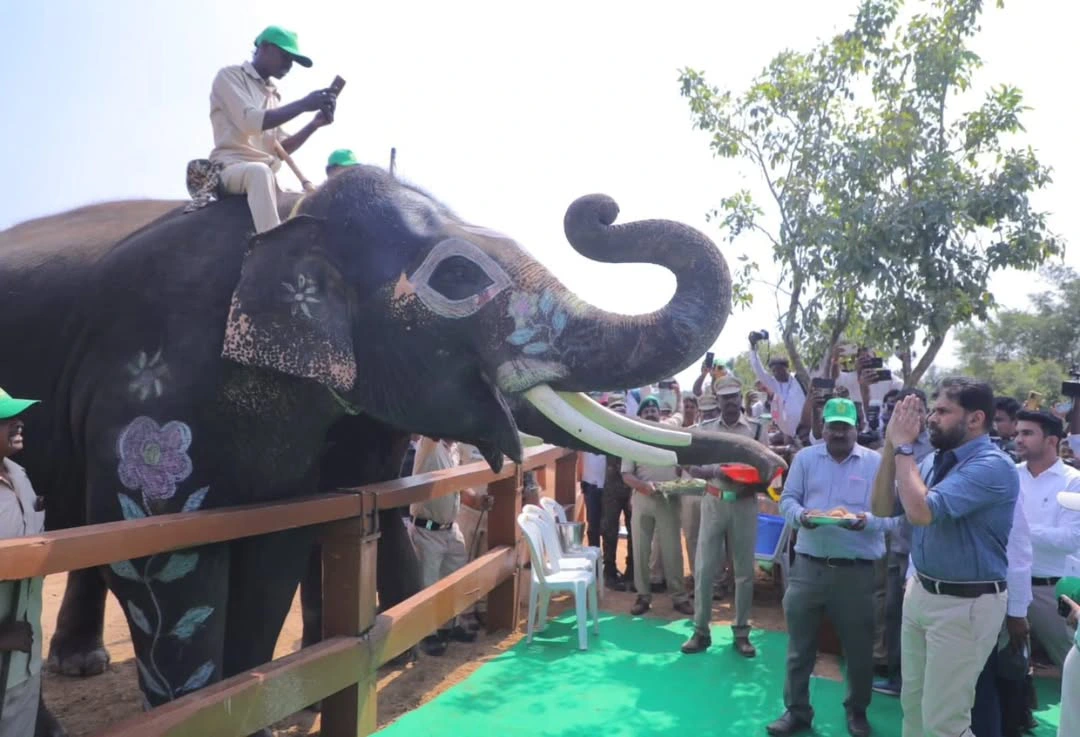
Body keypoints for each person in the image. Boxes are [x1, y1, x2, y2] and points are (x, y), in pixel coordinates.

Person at [884, 379, 1018, 737]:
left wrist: (902, 447)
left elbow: (922, 511)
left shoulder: (994, 466)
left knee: (945, 722)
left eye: (942, 411)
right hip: (922, 593)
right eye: (932, 410)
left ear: (974, 419)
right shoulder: (930, 462)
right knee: (913, 708)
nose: (931, 418)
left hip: (965, 604)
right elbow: (882, 507)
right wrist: (891, 443)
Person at [767, 398, 887, 737]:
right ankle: (797, 712)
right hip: (809, 567)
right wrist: (802, 516)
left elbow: (894, 517)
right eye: (832, 425)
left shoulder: (875, 463)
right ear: (822, 427)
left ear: (856, 428)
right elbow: (787, 501)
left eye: (844, 426)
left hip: (857, 571)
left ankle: (857, 712)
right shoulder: (805, 459)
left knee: (860, 649)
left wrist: (868, 522)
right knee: (799, 646)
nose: (837, 432)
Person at [209, 26, 337, 233]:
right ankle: (272, 249)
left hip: (267, 176)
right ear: (264, 48)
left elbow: (280, 147)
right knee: (259, 172)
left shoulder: (273, 95)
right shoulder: (230, 76)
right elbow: (251, 121)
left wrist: (314, 124)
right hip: (229, 168)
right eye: (285, 55)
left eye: (292, 60)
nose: (289, 64)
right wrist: (304, 104)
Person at [680, 375, 764, 659]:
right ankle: (700, 631)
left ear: (741, 397)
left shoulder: (755, 429)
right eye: (725, 397)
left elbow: (769, 473)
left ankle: (741, 633)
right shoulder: (705, 430)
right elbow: (689, 463)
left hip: (744, 503)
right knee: (704, 570)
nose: (730, 402)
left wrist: (747, 480)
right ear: (717, 400)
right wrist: (714, 472)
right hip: (714, 501)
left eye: (734, 396)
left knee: (743, 573)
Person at [872, 388, 934, 698]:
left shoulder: (937, 448)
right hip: (899, 548)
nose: (911, 416)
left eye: (917, 409)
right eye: (903, 410)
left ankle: (924, 683)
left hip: (929, 554)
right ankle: (898, 679)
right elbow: (886, 504)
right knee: (896, 616)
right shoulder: (891, 445)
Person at [408, 436, 493, 655]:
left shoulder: (452, 450)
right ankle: (427, 634)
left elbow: (456, 485)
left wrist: (476, 500)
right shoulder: (429, 445)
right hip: (427, 529)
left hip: (449, 527)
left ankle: (449, 626)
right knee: (428, 583)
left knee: (454, 577)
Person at [1013, 409, 1080, 668]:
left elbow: (1070, 538)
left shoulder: (1073, 482)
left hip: (1052, 591)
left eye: (1027, 433)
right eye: (1018, 432)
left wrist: (1019, 529)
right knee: (1005, 668)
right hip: (1010, 586)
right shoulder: (1009, 474)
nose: (1018, 439)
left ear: (1051, 441)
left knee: (1071, 664)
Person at [0, 388, 47, 737]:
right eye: (5, 418)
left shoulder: (20, 477)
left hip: (25, 662)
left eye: (18, 415)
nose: (18, 423)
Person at [621, 396, 693, 617]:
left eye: (654, 409)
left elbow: (684, 464)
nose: (651, 413)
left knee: (672, 550)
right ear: (640, 416)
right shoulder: (633, 440)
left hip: (668, 499)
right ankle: (643, 596)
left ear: (659, 414)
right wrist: (642, 486)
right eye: (647, 411)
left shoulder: (669, 437)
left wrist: (677, 481)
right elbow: (625, 474)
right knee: (641, 549)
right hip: (643, 499)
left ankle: (679, 597)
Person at [749, 338, 806, 440]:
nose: (777, 373)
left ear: (787, 368)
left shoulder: (799, 379)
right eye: (774, 371)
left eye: (780, 369)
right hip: (788, 435)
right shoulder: (773, 383)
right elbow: (759, 370)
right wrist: (753, 349)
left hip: (805, 431)